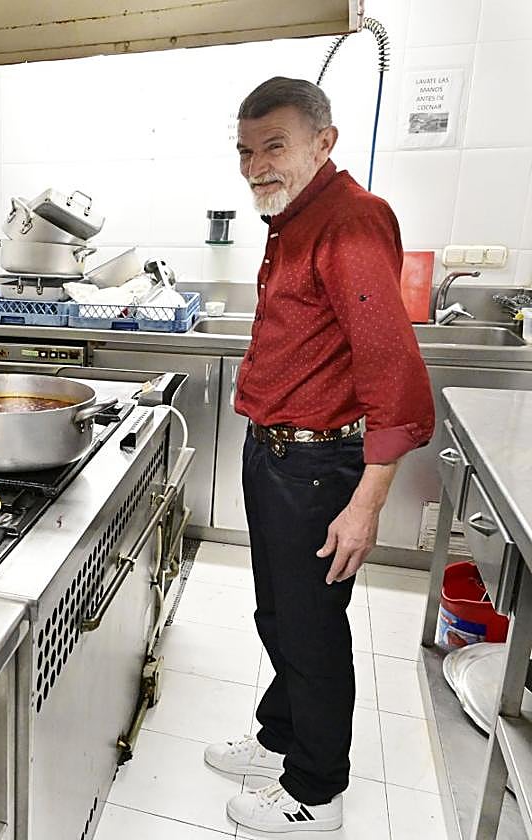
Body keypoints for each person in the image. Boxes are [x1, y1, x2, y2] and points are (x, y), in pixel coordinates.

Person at [203, 77, 435, 832]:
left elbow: (392, 372)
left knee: (310, 629)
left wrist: (365, 505)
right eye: (245, 150)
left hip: (316, 469)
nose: (256, 165)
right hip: (275, 455)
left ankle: (314, 791)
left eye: (274, 146)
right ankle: (279, 738)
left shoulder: (351, 222)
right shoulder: (293, 218)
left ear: (322, 142)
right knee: (282, 613)